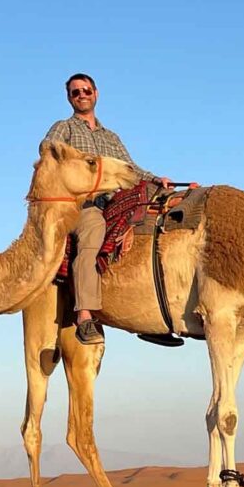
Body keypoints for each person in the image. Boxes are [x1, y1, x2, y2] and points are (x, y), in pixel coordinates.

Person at [44, 73, 167, 345]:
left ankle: (147, 314)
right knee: (93, 234)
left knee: (155, 222)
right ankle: (85, 315)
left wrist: (158, 181)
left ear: (96, 93)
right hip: (81, 205)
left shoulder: (110, 137)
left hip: (111, 201)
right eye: (75, 92)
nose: (81, 95)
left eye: (86, 90)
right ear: (69, 98)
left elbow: (131, 169)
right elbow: (48, 153)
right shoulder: (64, 128)